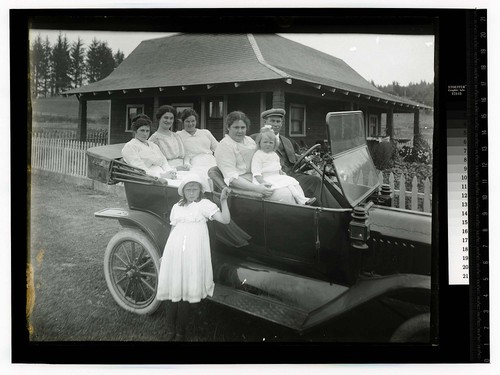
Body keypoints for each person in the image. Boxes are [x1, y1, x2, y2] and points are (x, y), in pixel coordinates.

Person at [156, 174, 231, 341]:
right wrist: (164, 254)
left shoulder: (205, 205)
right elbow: (173, 230)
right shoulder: (177, 207)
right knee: (173, 288)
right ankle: (170, 330)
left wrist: (224, 201)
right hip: (175, 251)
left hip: (193, 252)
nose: (191, 192)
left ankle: (181, 332)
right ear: (182, 192)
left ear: (200, 190)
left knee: (186, 290)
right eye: (188, 189)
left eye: (194, 189)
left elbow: (225, 220)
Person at [258, 108, 340, 208]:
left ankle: (331, 208)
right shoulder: (259, 139)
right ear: (265, 122)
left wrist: (308, 160)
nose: (275, 124)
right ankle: (333, 212)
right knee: (315, 181)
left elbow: (294, 160)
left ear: (281, 123)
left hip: (291, 176)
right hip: (274, 179)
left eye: (278, 121)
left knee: (320, 180)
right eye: (272, 121)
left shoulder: (286, 141)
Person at [214, 111, 294, 203]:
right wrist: (257, 188)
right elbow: (232, 179)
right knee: (284, 193)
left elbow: (262, 158)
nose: (240, 131)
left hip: (259, 177)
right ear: (228, 127)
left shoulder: (249, 140)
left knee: (290, 186)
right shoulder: (225, 146)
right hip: (244, 184)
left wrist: (277, 171)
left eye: (243, 127)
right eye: (236, 127)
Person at [251, 126, 316, 205]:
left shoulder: (274, 154)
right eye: (265, 142)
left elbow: (277, 167)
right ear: (259, 143)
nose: (268, 144)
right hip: (265, 178)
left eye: (271, 143)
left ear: (275, 145)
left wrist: (282, 172)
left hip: (276, 176)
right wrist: (263, 182)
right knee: (287, 186)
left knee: (293, 182)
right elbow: (256, 173)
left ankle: (302, 200)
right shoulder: (258, 155)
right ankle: (299, 202)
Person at [121, 114, 177, 180]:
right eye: (142, 130)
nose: (145, 134)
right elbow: (139, 168)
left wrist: (169, 172)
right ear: (135, 131)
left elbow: (164, 161)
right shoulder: (130, 146)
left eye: (147, 131)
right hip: (148, 178)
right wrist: (161, 176)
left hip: (163, 174)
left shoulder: (153, 145)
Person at [177, 108, 219, 189]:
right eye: (187, 121)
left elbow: (218, 148)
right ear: (183, 122)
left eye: (193, 121)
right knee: (204, 179)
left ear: (196, 121)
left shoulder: (205, 132)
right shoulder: (178, 135)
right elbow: (183, 154)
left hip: (211, 159)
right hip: (195, 162)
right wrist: (186, 163)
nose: (190, 124)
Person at [149, 105, 190, 171]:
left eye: (171, 118)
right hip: (169, 171)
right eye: (166, 118)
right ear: (159, 118)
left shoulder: (176, 136)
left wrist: (187, 164)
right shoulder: (154, 139)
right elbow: (156, 163)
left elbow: (186, 154)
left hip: (185, 169)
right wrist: (175, 169)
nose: (168, 121)